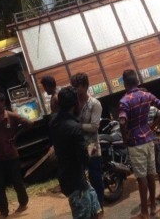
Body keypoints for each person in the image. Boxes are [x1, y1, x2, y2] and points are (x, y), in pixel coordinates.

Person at [119, 70, 160, 219]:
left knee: (141, 178)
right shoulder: (147, 95)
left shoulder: (124, 101)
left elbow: (122, 121)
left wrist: (125, 137)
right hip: (149, 140)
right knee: (150, 174)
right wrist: (153, 125)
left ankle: (144, 213)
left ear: (125, 83)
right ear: (137, 81)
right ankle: (153, 207)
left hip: (136, 142)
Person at [49, 86, 103, 219]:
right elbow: (84, 159)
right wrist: (90, 149)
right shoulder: (74, 128)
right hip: (76, 182)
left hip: (69, 177)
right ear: (76, 103)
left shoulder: (53, 122)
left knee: (98, 211)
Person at [0, 91, 32, 218]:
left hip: (11, 155)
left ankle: (23, 202)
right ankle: (3, 211)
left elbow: (29, 123)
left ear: (2, 103)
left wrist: (16, 136)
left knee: (17, 181)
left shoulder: (11, 116)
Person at [71, 72, 104, 208]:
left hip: (92, 145)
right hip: (78, 146)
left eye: (76, 87)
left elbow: (95, 126)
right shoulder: (73, 103)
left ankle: (100, 205)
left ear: (84, 86)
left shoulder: (94, 104)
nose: (74, 90)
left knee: (95, 176)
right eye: (73, 87)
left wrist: (77, 126)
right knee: (81, 178)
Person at [148, 105, 160, 202]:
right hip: (154, 138)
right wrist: (157, 125)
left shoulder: (139, 109)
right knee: (159, 167)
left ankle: (151, 198)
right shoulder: (153, 108)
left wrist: (155, 125)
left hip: (145, 141)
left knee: (148, 170)